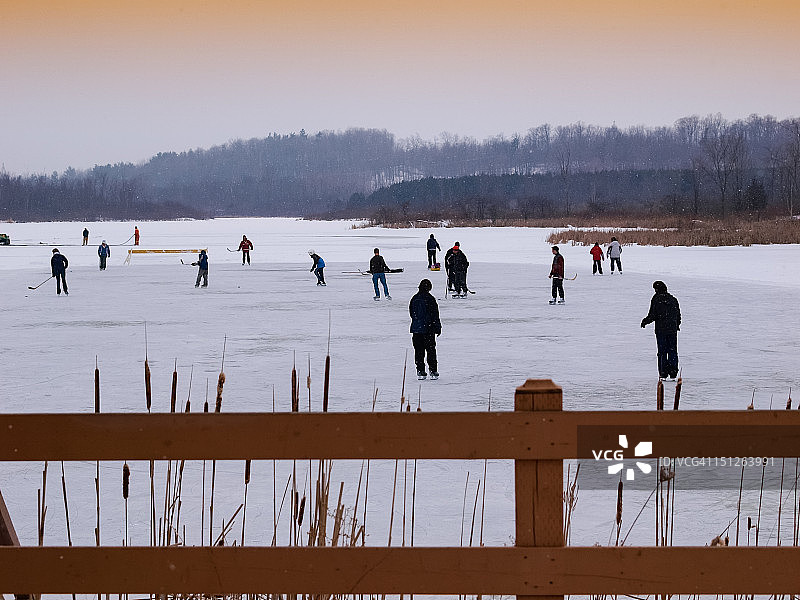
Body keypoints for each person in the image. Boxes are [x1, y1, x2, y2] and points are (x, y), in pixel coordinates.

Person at [641, 280, 681, 380]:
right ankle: (673, 372)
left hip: (661, 330)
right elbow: (678, 315)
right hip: (672, 329)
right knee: (672, 350)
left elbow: (653, 314)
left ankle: (663, 373)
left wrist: (645, 321)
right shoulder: (673, 299)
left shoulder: (656, 299)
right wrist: (676, 325)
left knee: (662, 351)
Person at [409, 279, 441, 380]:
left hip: (416, 329)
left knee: (419, 351)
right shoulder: (430, 299)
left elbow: (412, 313)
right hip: (428, 329)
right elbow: (435, 314)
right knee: (430, 350)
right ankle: (432, 370)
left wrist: (417, 322)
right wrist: (437, 327)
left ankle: (420, 371)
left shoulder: (414, 298)